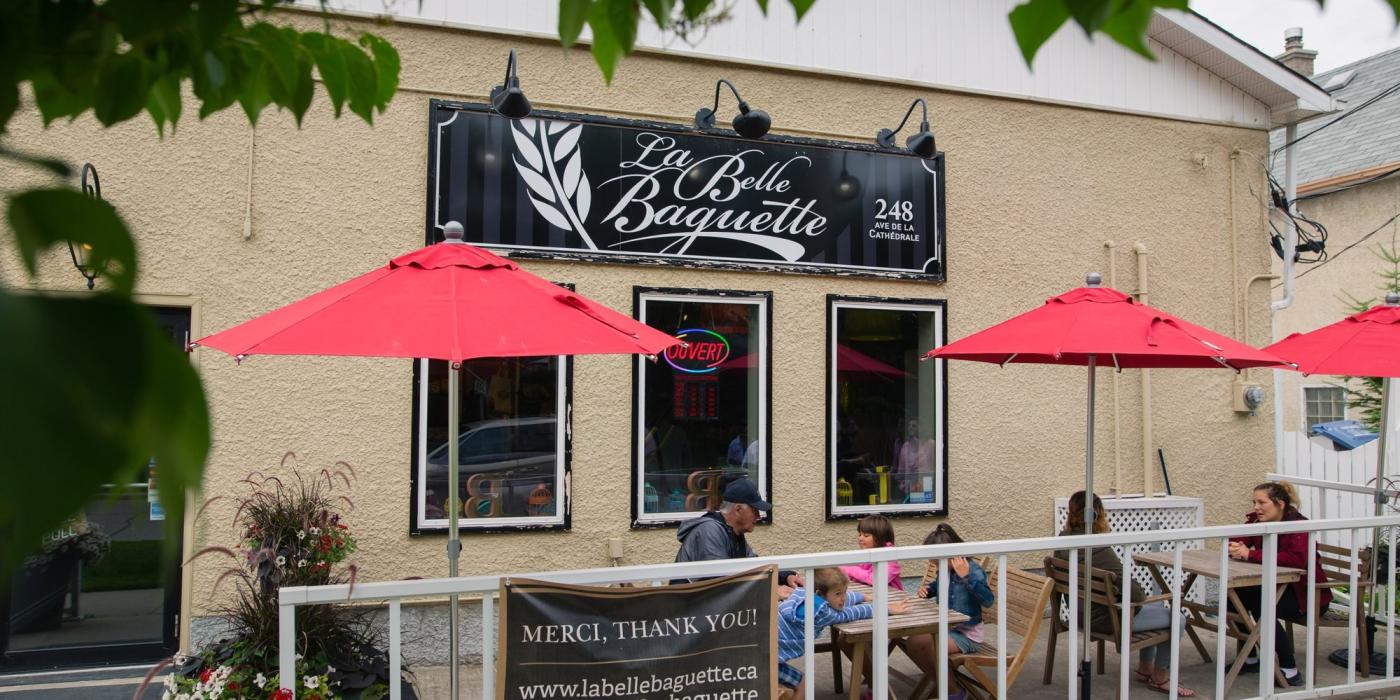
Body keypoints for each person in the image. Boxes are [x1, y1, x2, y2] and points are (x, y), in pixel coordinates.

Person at [1054, 491, 1196, 697]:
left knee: (1157, 608)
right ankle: (1161, 678)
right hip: (1106, 620)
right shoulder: (1099, 549)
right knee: (1178, 618)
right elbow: (1137, 596)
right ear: (1096, 514)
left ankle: (1145, 669)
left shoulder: (1062, 541)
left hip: (1077, 614)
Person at [1226, 480, 1331, 687]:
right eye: (1254, 502)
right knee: (1233, 597)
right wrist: (1236, 546)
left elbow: (1296, 559)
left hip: (1307, 595)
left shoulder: (1300, 526)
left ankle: (1290, 669)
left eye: (1261, 502)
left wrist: (1251, 554)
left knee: (1262, 606)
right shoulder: (1258, 523)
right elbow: (1239, 539)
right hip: (1279, 588)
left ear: (1280, 504)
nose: (1256, 507)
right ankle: (1250, 658)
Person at [777, 567, 908, 700]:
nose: (843, 598)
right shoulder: (821, 613)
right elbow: (851, 613)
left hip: (763, 653)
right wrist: (887, 608)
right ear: (819, 593)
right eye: (839, 594)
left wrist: (863, 596)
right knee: (803, 685)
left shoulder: (803, 594)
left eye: (844, 592)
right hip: (766, 663)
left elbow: (837, 600)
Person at [672, 478, 804, 591]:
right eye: (754, 510)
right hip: (687, 613)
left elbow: (755, 567)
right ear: (738, 509)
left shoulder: (734, 532)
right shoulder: (710, 530)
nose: (758, 516)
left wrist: (786, 577)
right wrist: (772, 591)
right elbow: (718, 581)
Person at [840, 515, 904, 591]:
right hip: (871, 594)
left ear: (881, 537)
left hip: (893, 598)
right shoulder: (867, 553)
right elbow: (857, 576)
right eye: (860, 534)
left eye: (866, 536)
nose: (860, 538)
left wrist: (849, 570)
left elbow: (874, 579)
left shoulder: (890, 558)